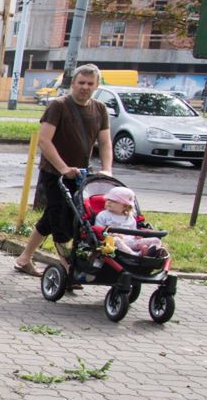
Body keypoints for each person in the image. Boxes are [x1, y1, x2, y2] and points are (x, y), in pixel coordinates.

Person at [14, 63, 115, 275]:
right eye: (81, 83)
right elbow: (44, 140)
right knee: (61, 221)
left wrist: (107, 171)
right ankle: (69, 269)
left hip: (81, 175)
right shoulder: (58, 106)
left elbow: (105, 143)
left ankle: (24, 259)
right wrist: (63, 167)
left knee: (52, 217)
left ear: (96, 86)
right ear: (73, 84)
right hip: (54, 173)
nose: (84, 87)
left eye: (90, 84)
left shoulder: (99, 109)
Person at [94, 186, 166, 258]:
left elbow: (133, 231)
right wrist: (112, 235)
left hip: (131, 241)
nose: (108, 202)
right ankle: (136, 255)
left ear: (125, 206)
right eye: (108, 199)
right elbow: (98, 231)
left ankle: (149, 253)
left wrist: (137, 235)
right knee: (115, 240)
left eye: (114, 201)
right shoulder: (103, 215)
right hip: (114, 241)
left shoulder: (129, 217)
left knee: (156, 240)